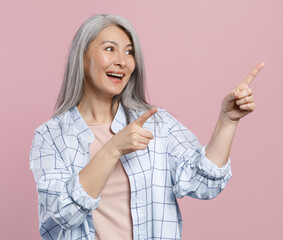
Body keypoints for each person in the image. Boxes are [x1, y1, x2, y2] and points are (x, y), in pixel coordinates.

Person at [29, 14, 264, 240]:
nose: (122, 61)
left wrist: (228, 121)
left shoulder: (155, 123)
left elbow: (205, 183)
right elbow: (64, 213)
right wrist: (112, 149)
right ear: (82, 57)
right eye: (110, 49)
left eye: (129, 52)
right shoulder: (50, 136)